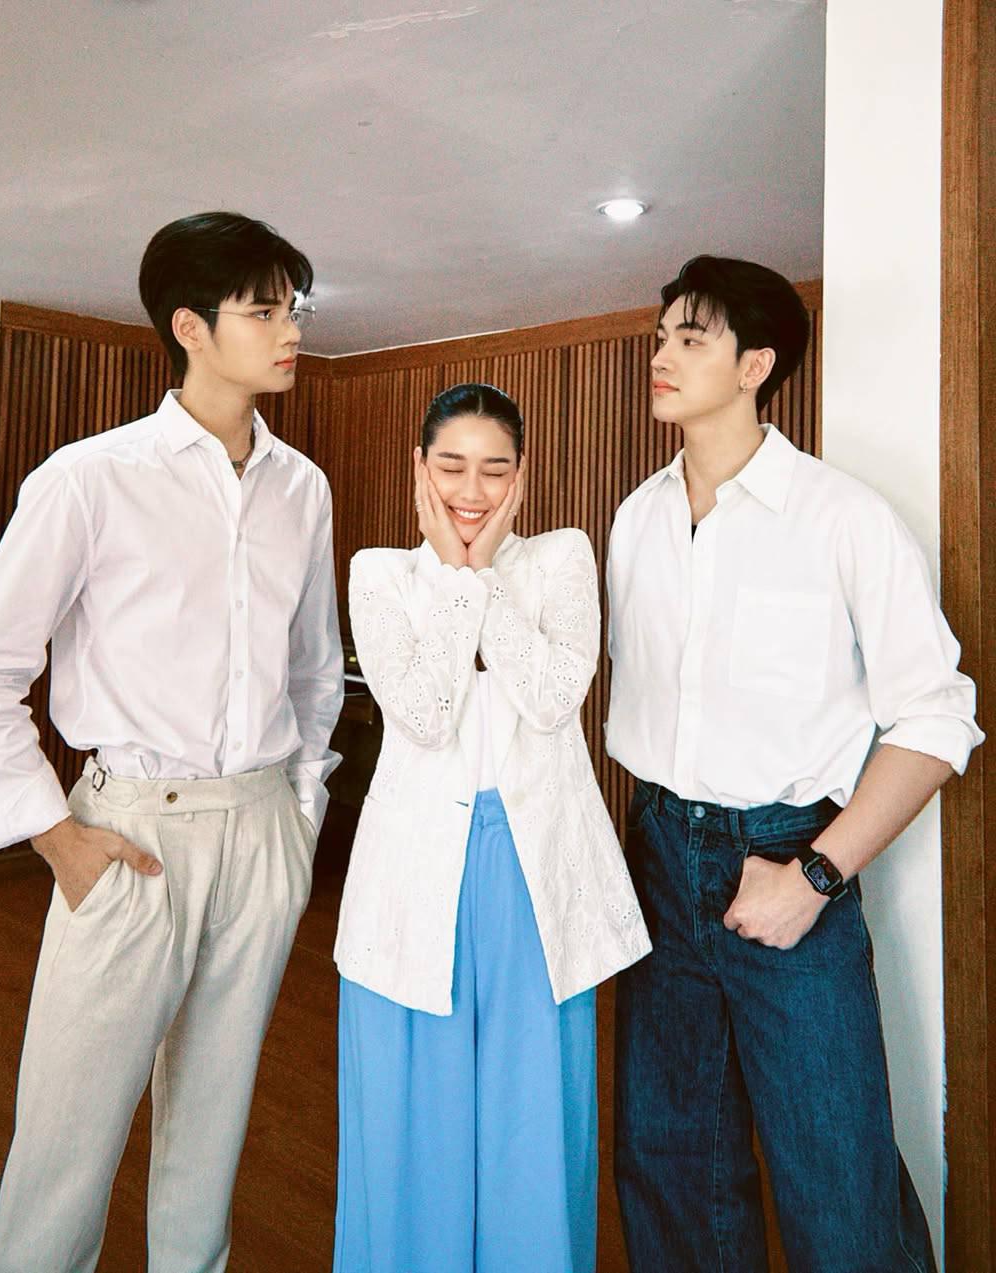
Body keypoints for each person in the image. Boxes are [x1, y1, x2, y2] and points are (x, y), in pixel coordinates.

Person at [0, 211, 343, 1273]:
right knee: (66, 1141)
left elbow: (313, 667)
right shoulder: (90, 477)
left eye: (294, 307)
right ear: (190, 328)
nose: (291, 328)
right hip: (128, 839)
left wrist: (300, 815)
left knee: (212, 1126)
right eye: (264, 309)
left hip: (261, 829)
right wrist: (54, 835)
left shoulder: (303, 488)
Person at [606, 255, 984, 1272]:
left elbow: (937, 717)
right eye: (661, 336)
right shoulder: (638, 519)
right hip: (656, 852)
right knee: (668, 1165)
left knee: (837, 1182)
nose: (663, 355)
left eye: (692, 338)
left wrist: (816, 874)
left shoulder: (842, 517)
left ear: (756, 365)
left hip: (787, 856)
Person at [332, 382, 650, 1273]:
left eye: (494, 469)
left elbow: (552, 700)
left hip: (535, 873)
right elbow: (424, 715)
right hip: (410, 876)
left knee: (533, 1127)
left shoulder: (563, 557)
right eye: (451, 467)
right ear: (419, 469)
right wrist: (451, 574)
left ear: (522, 475)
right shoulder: (379, 572)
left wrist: (477, 577)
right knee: (409, 1132)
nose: (471, 491)